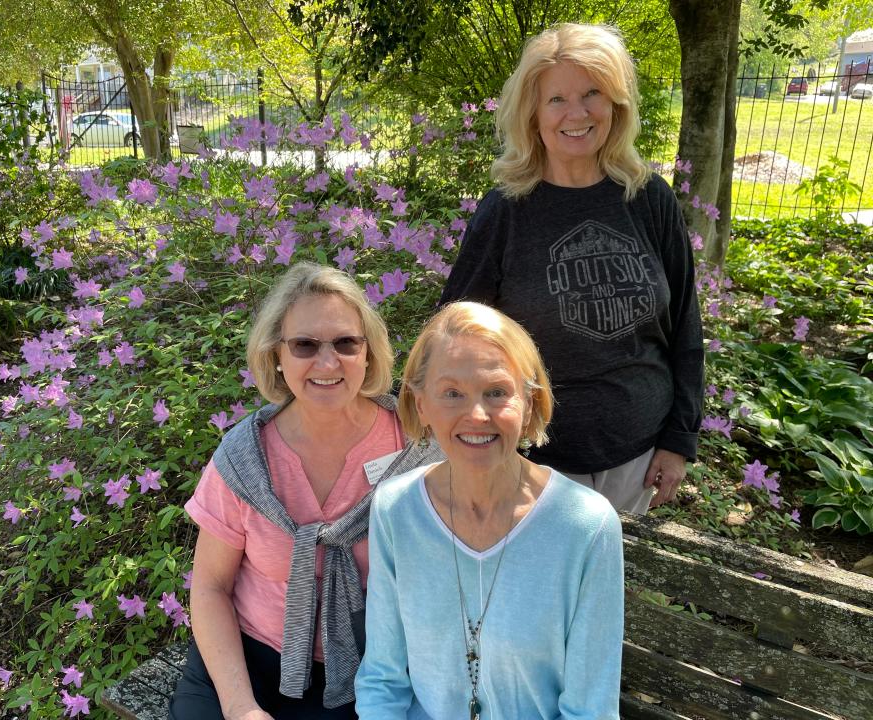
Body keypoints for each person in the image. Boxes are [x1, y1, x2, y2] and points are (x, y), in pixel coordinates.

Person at [439, 23, 704, 514]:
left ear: (617, 104)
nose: (577, 113)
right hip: (531, 461)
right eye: (556, 99)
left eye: (592, 94)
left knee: (616, 587)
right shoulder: (506, 209)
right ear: (532, 113)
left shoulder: (649, 200)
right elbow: (454, 333)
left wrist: (679, 438)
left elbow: (685, 327)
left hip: (637, 458)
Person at [170, 262, 441, 720]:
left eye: (345, 343)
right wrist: (239, 707)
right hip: (248, 662)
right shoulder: (244, 458)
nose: (328, 362)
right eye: (305, 345)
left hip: (374, 668)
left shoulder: (414, 446)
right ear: (277, 354)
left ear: (369, 353)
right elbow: (211, 587)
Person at [355, 301, 624, 719]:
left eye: (497, 392)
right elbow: (383, 680)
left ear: (530, 403)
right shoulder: (396, 509)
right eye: (452, 393)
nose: (477, 415)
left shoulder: (585, 525)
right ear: (421, 404)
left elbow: (590, 709)